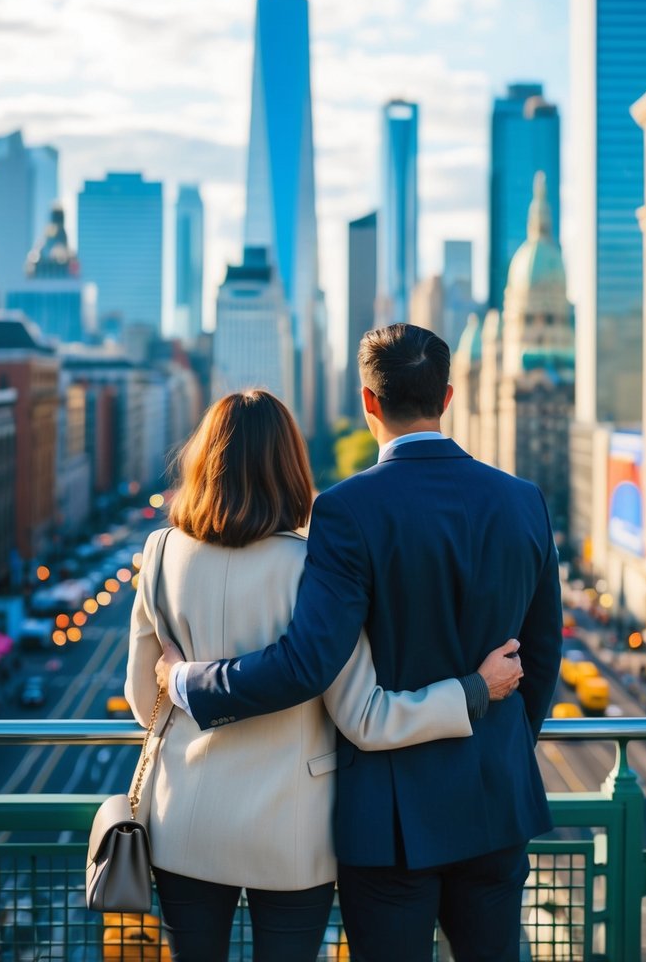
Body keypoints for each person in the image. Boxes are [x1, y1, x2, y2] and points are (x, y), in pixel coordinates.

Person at [159, 324, 563, 962]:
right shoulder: (524, 502)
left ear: (368, 403)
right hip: (495, 799)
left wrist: (184, 680)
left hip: (388, 820)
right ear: (448, 396)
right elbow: (541, 660)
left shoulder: (345, 510)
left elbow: (312, 662)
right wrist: (499, 745)